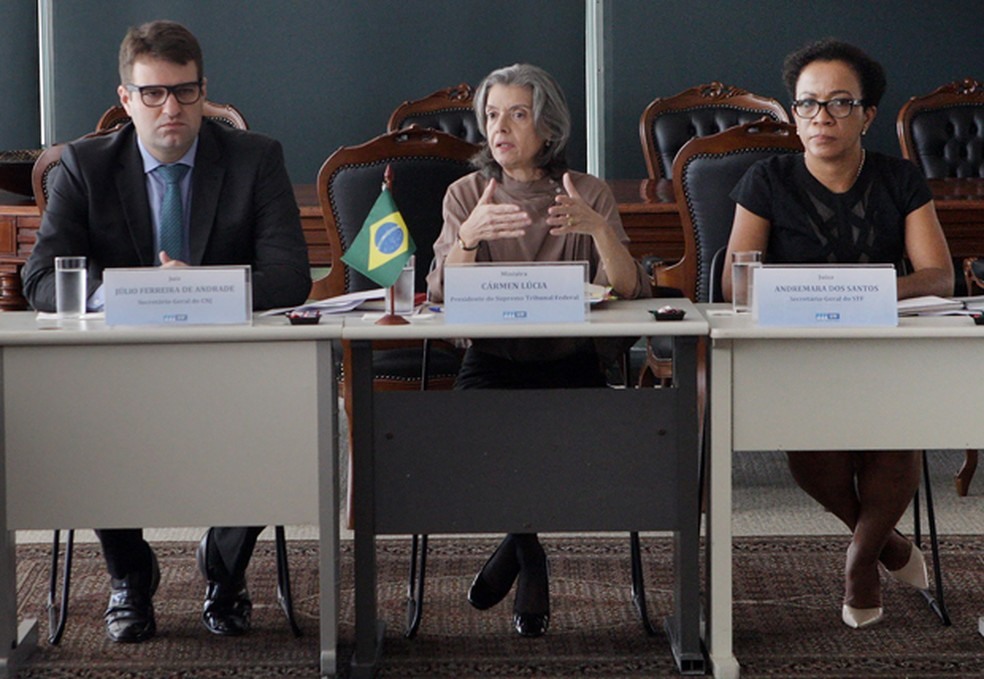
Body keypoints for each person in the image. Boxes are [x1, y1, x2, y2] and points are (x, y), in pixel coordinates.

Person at [21, 20, 310, 643]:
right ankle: (129, 576)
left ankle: (225, 570)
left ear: (204, 92)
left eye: (185, 91)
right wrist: (127, 292)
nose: (171, 107)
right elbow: (41, 277)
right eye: (152, 94)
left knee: (290, 411)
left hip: (232, 367)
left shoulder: (255, 158)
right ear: (126, 100)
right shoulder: (84, 166)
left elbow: (291, 277)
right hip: (120, 372)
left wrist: (199, 287)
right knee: (78, 420)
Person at [722, 39, 953, 629]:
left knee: (896, 435)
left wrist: (861, 293)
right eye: (807, 104)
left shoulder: (899, 177)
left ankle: (859, 562)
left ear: (868, 115)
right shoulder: (766, 178)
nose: (820, 117)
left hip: (884, 341)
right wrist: (824, 296)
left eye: (839, 103)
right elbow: (738, 286)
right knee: (812, 456)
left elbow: (938, 276)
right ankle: (886, 543)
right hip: (800, 347)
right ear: (793, 113)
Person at [426, 63, 651, 638]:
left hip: (570, 358)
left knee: (570, 454)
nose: (500, 128)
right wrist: (469, 238)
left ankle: (514, 548)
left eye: (517, 115)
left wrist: (599, 229)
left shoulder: (586, 192)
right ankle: (530, 555)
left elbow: (628, 290)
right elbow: (441, 295)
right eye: (492, 115)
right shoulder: (467, 194)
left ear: (548, 129)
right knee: (473, 446)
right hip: (492, 359)